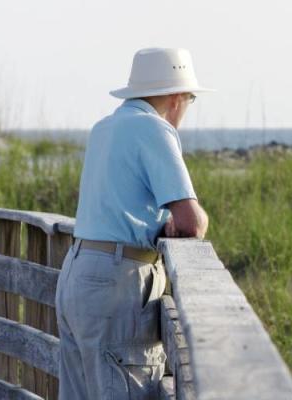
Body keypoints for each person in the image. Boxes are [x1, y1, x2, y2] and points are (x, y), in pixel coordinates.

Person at [55, 48, 213, 399]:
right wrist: (181, 221)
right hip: (117, 280)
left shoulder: (104, 128)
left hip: (76, 273)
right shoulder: (154, 129)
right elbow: (192, 224)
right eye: (190, 99)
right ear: (176, 98)